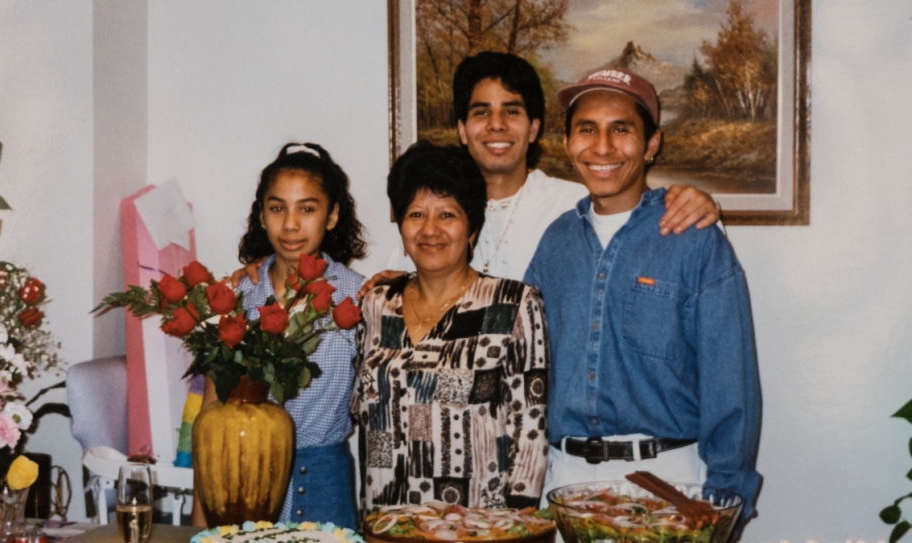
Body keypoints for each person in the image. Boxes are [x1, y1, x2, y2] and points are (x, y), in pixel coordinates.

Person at [523, 68, 761, 526]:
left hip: (669, 482)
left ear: (652, 143)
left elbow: (730, 380)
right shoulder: (555, 243)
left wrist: (726, 498)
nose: (603, 147)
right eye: (586, 129)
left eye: (622, 129)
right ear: (568, 142)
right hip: (564, 483)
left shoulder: (694, 239)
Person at [372, 51, 720, 286]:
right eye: (481, 112)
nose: (496, 125)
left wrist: (696, 203)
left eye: (512, 111)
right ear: (462, 130)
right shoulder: (428, 220)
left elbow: (640, 220)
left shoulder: (577, 205)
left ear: (534, 128)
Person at [353, 142, 549, 511]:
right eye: (415, 214)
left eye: (447, 215)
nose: (430, 230)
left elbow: (530, 433)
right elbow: (362, 416)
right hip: (387, 524)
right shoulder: (376, 304)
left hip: (477, 528)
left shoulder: (513, 305)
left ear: (472, 228)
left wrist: (516, 530)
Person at [191, 143, 366, 528]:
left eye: (307, 208)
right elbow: (210, 415)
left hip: (324, 486)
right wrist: (200, 524)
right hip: (239, 483)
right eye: (277, 208)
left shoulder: (360, 297)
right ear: (261, 214)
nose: (290, 224)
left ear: (332, 215)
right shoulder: (238, 297)